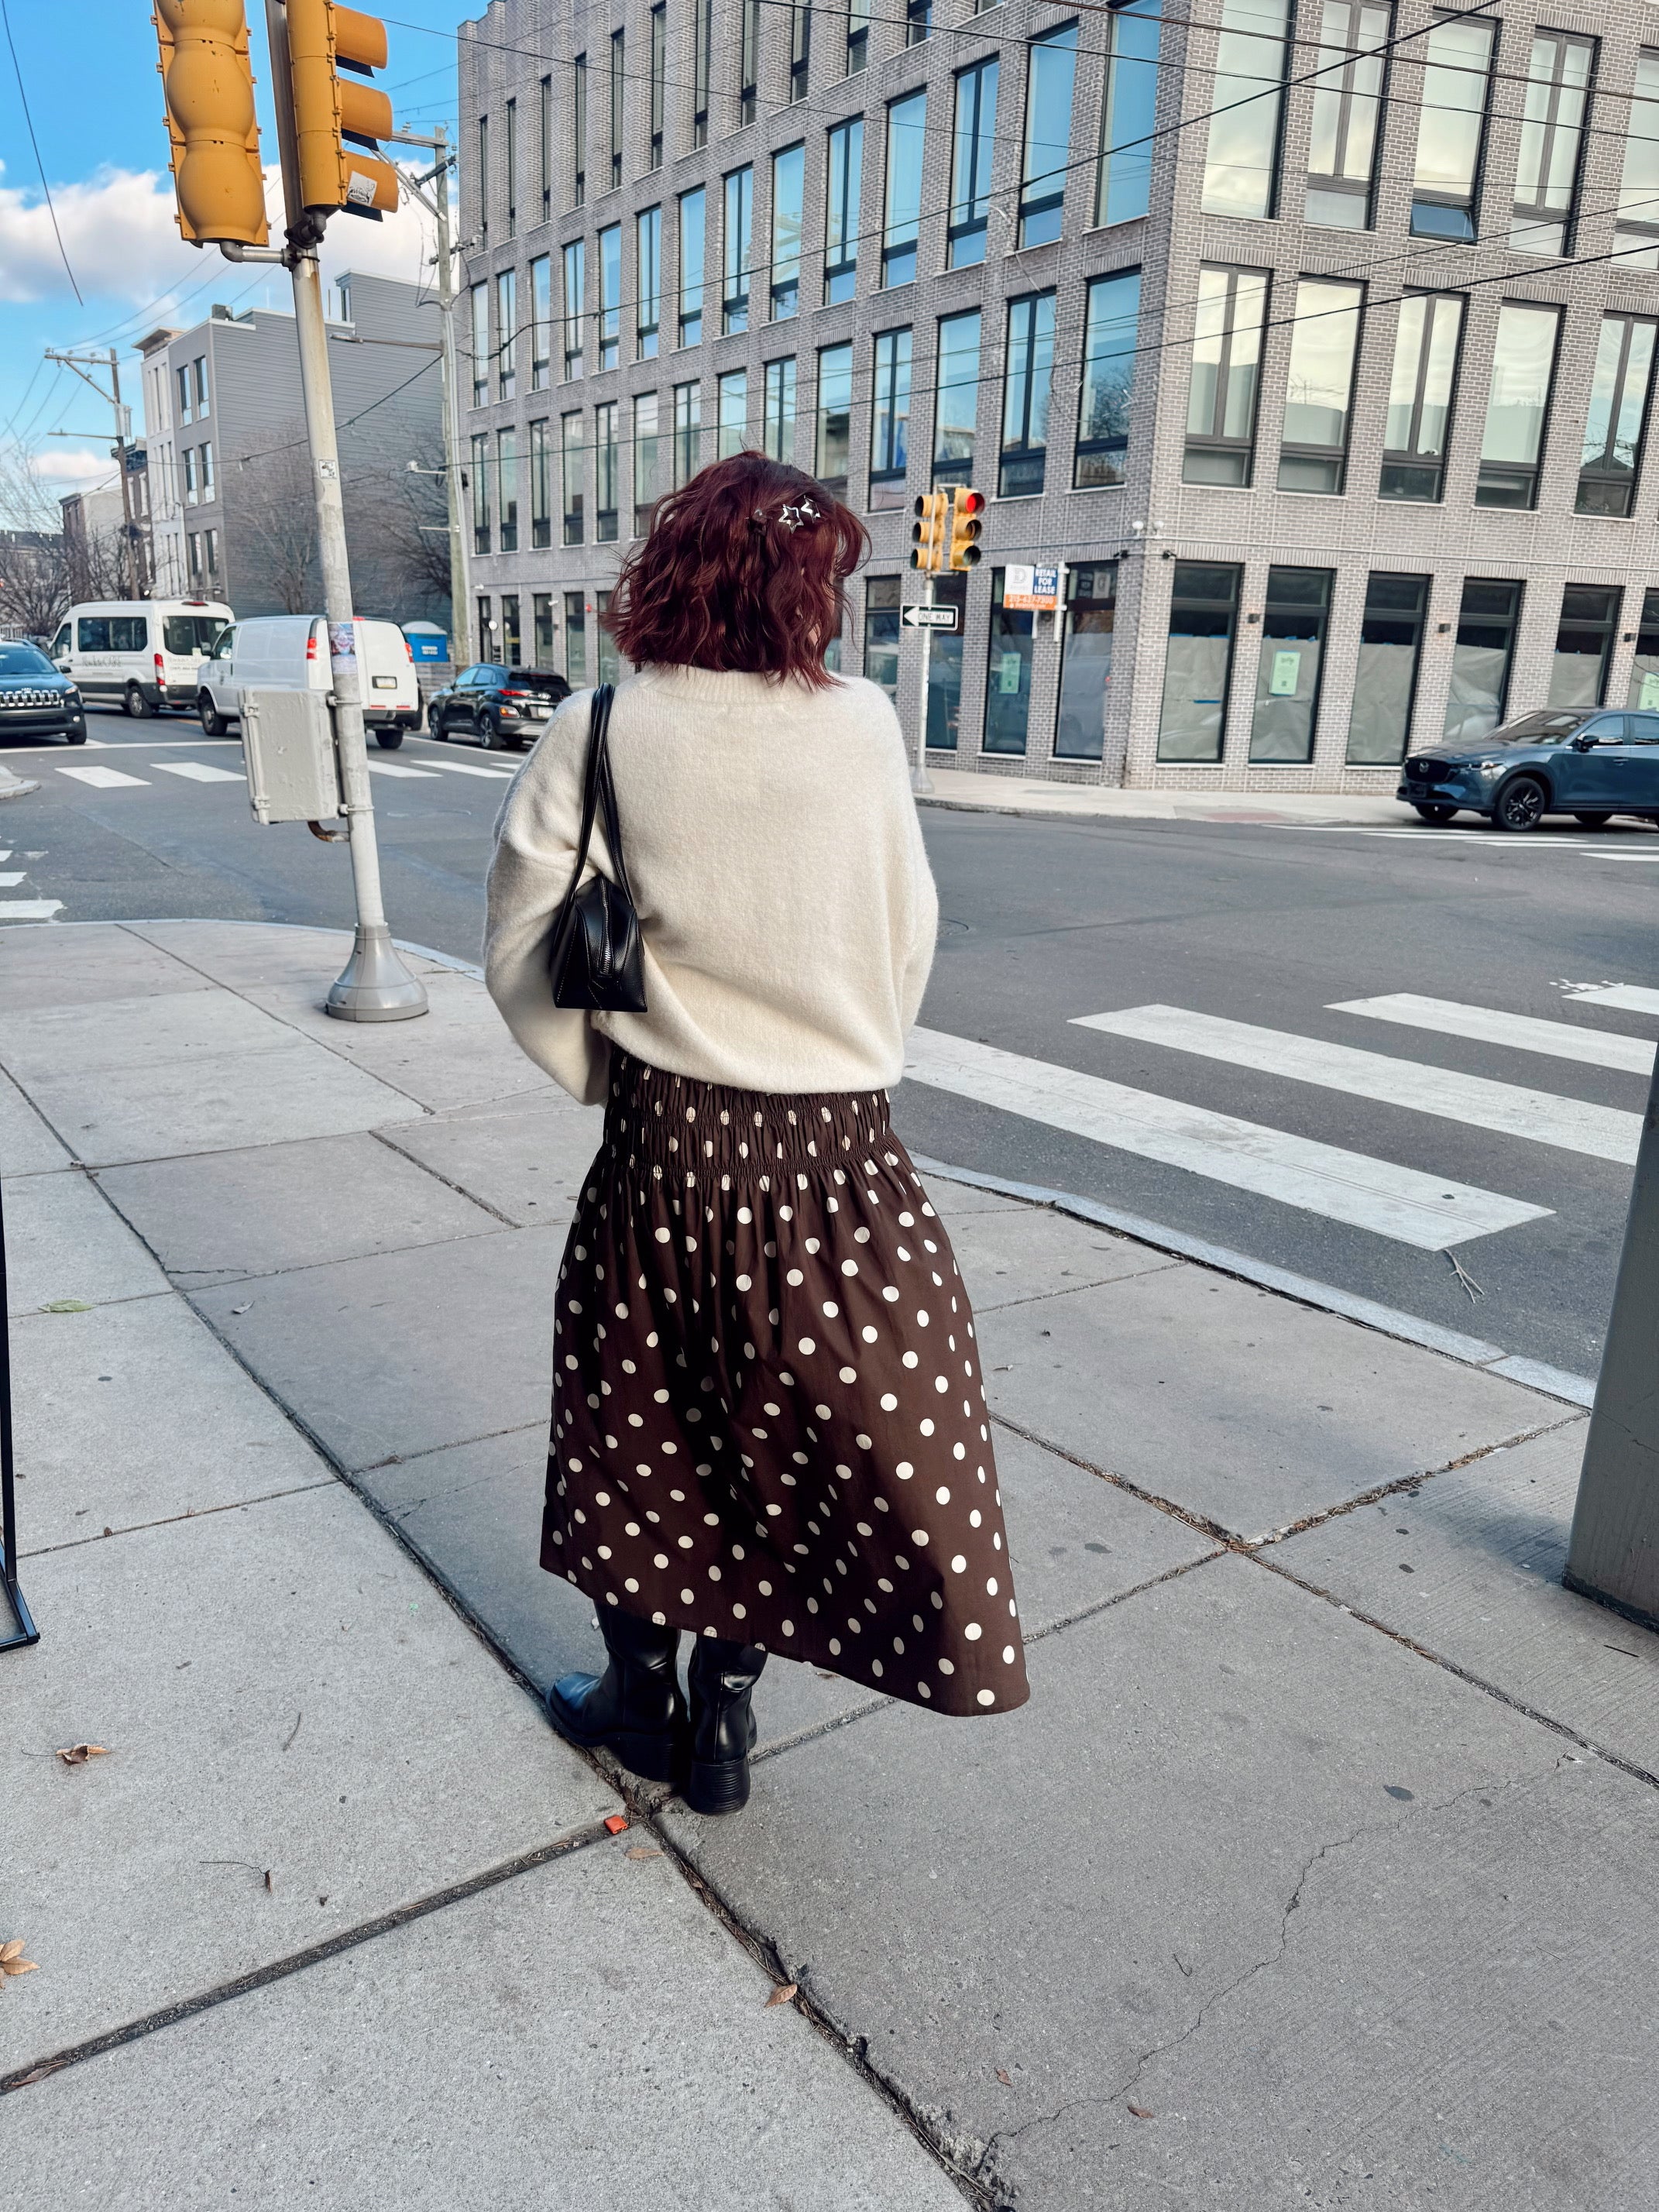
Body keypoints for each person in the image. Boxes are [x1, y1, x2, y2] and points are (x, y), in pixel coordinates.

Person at [485, 453, 1029, 1817]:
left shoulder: (600, 730)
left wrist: (607, 1080)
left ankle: (635, 1699)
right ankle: (724, 1719)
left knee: (639, 1426)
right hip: (838, 1152)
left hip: (667, 1149)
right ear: (805, 587)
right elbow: (906, 930)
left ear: (676, 569)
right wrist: (842, 1051)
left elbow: (523, 948)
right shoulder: (860, 726)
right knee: (782, 1440)